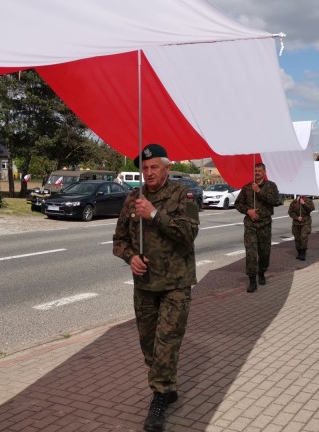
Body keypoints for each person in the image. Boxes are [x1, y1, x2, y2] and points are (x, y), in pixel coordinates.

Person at [112, 143, 199, 432]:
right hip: (145, 284)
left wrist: (154, 215)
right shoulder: (132, 199)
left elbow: (188, 234)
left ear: (167, 168)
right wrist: (130, 257)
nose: (148, 173)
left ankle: (159, 400)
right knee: (149, 346)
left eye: (154, 168)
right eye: (144, 168)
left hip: (175, 284)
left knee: (166, 343)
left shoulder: (181, 195)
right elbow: (119, 240)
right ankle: (168, 387)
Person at [234, 162, 279, 292]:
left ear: (264, 172)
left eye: (259, 170)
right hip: (250, 225)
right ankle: (252, 280)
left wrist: (259, 191)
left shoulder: (271, 186)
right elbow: (238, 204)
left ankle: (262, 272)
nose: (257, 173)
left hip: (265, 224)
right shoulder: (247, 188)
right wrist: (248, 211)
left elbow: (275, 201)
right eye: (255, 171)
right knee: (251, 253)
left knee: (264, 253)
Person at [288, 194, 315, 260]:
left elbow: (311, 209)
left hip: (305, 222)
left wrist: (304, 203)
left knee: (303, 237)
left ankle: (303, 253)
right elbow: (290, 212)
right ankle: (299, 252)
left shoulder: (308, 201)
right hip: (296, 223)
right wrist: (297, 217)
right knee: (297, 238)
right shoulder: (294, 202)